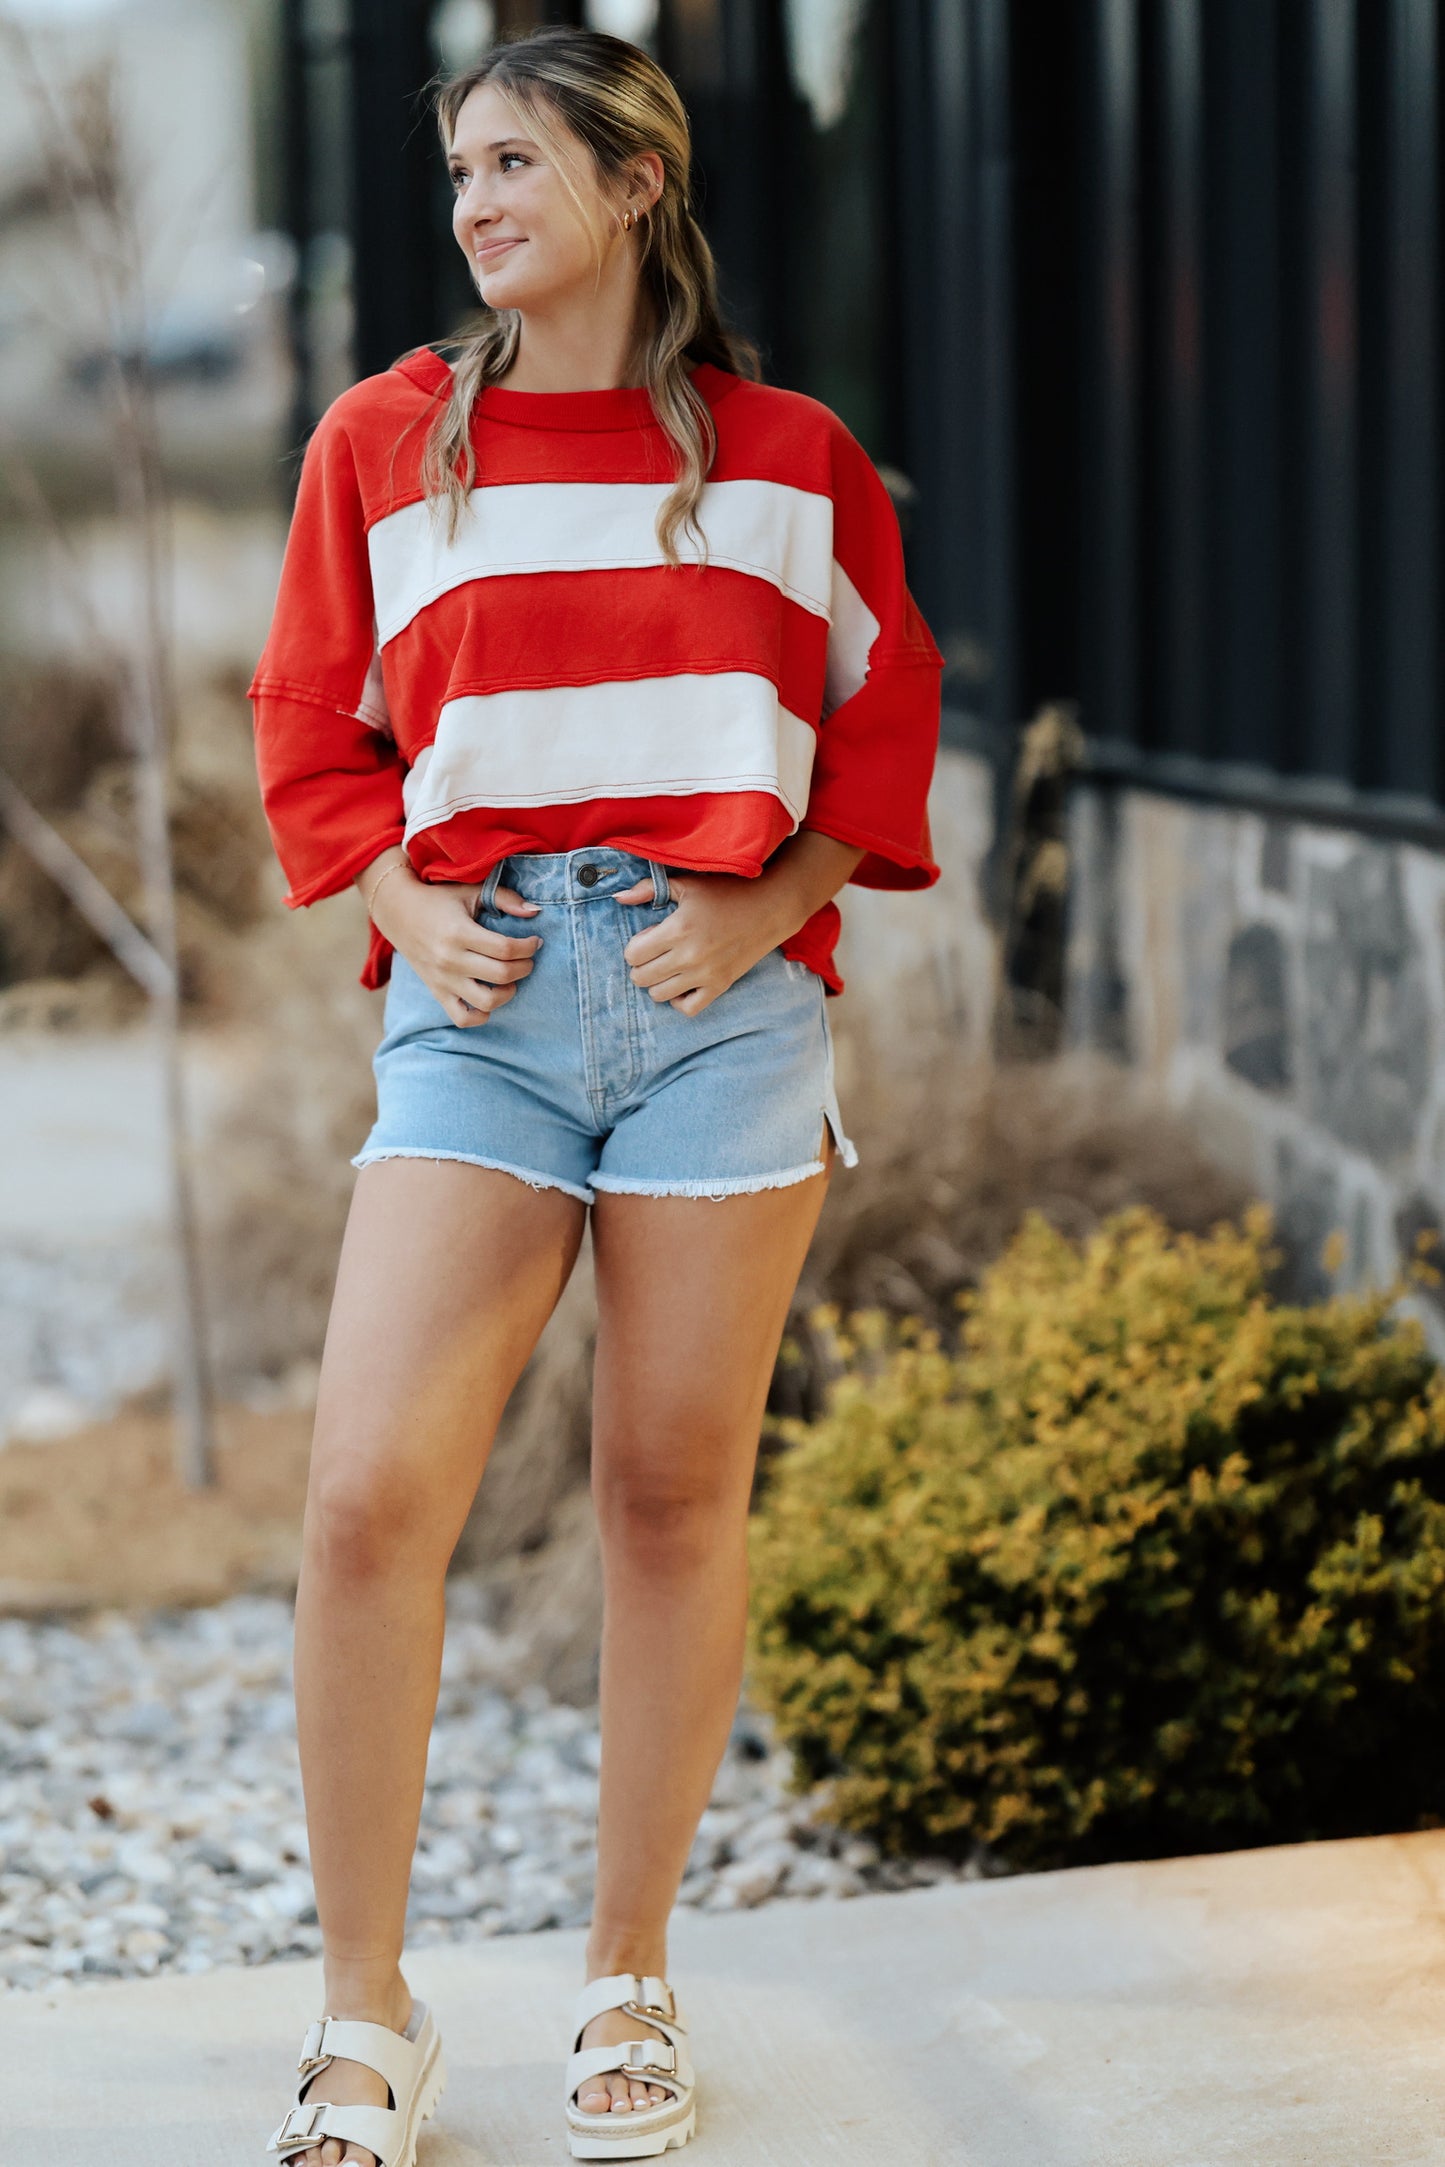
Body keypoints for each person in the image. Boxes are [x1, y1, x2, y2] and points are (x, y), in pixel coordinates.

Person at [247, 24, 942, 2167]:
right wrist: (397, 897)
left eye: (518, 163)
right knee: (370, 1489)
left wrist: (767, 912)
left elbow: (881, 729)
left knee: (666, 1488)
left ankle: (626, 1968)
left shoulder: (789, 456)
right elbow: (306, 714)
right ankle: (367, 2007)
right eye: (460, 170)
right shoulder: (383, 442)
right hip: (482, 1005)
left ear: (639, 181)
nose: (474, 205)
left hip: (720, 1006)